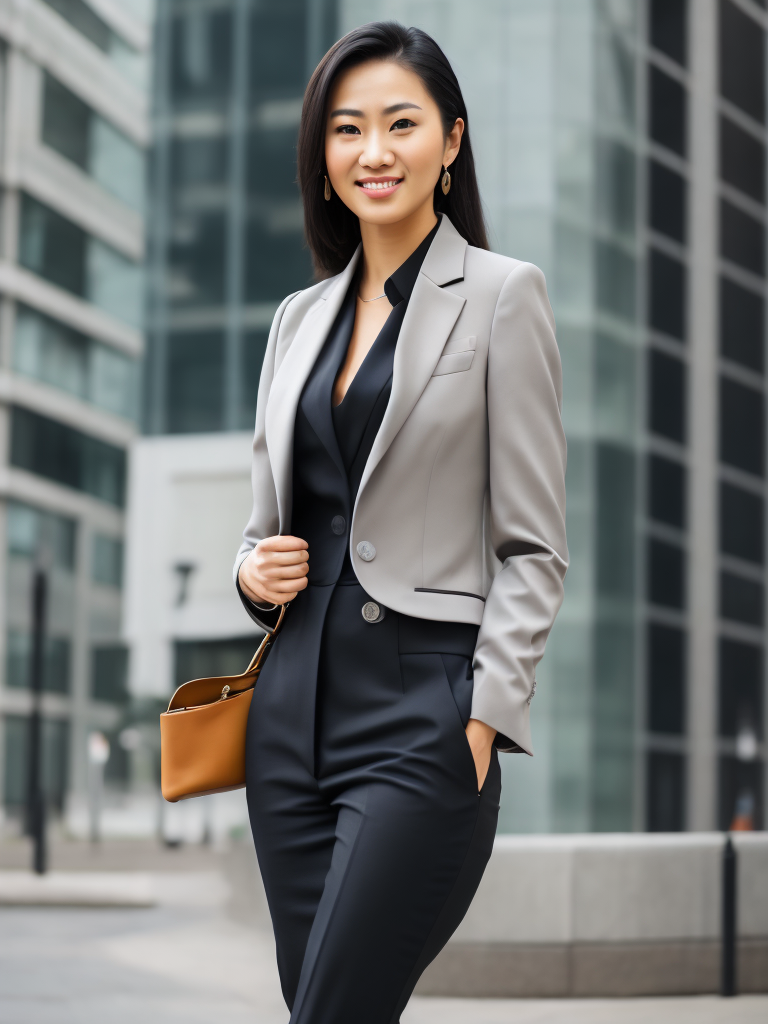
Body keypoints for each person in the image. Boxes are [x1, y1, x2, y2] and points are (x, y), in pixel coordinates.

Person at [234, 21, 568, 1023]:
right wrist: (253, 574)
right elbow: (258, 527)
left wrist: (481, 719)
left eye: (399, 124)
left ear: (452, 141)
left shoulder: (505, 296)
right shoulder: (298, 319)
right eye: (346, 129)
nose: (372, 152)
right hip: (288, 717)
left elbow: (534, 543)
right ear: (322, 157)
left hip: (421, 713)